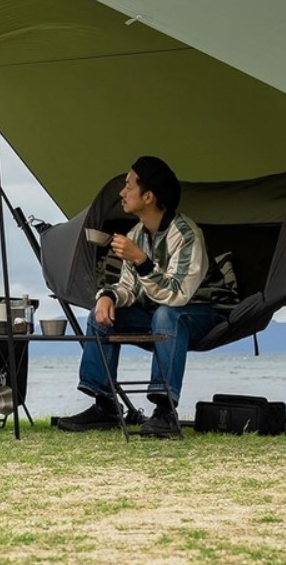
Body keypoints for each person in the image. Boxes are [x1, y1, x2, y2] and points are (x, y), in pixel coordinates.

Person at [57, 156, 227, 438]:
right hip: (158, 314)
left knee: (166, 314)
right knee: (100, 315)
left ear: (148, 196)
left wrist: (142, 260)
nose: (122, 193)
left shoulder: (185, 235)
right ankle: (105, 406)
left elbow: (177, 295)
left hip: (203, 312)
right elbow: (129, 288)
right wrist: (108, 296)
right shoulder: (137, 233)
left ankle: (165, 412)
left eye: (128, 186)